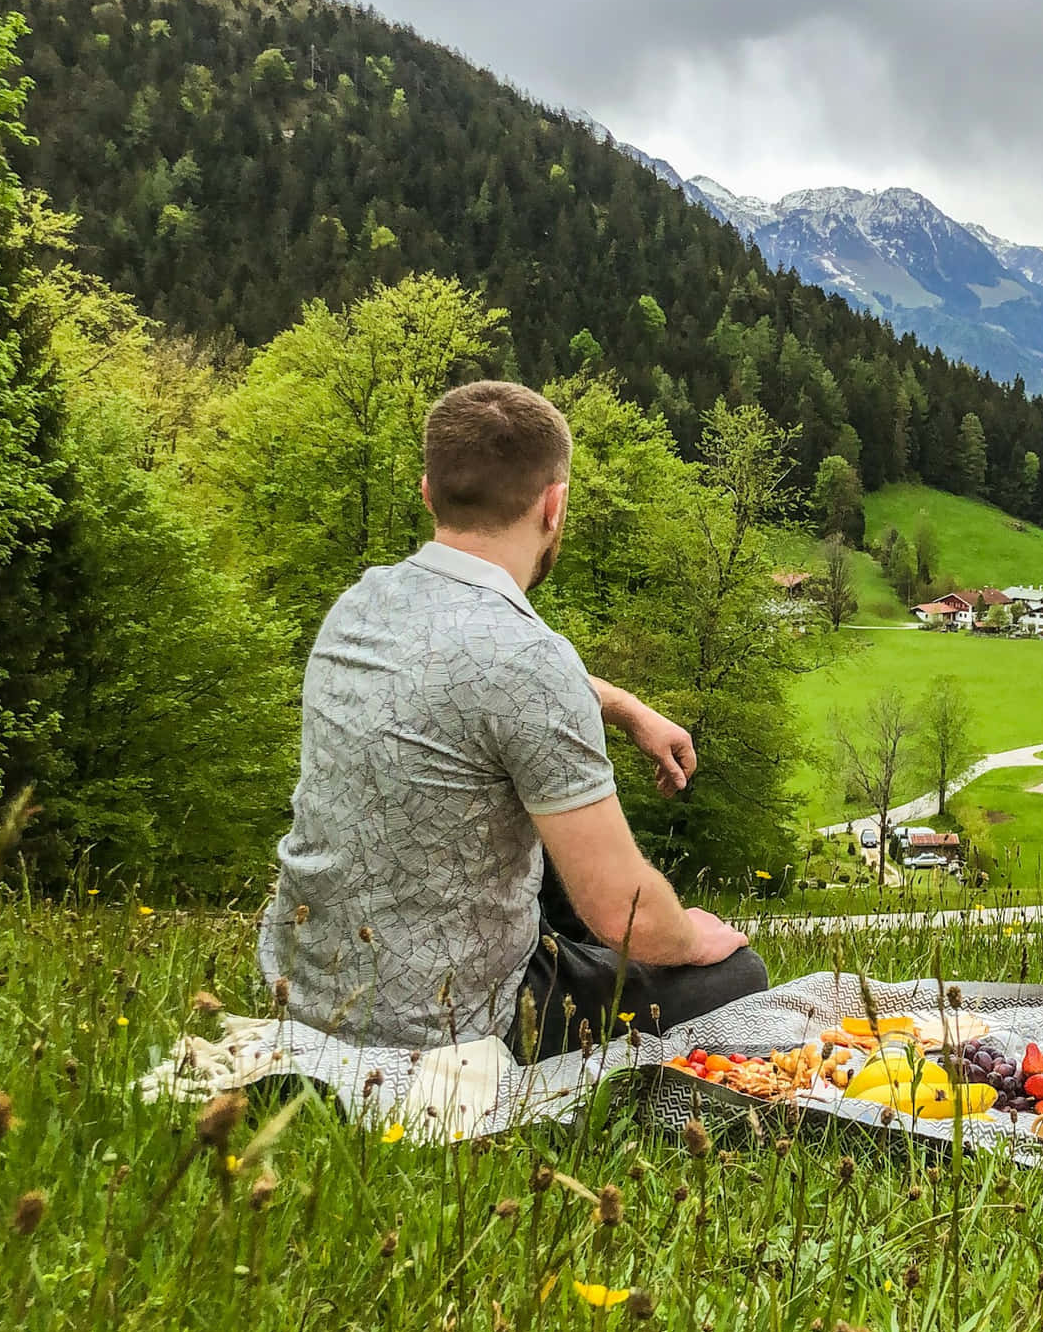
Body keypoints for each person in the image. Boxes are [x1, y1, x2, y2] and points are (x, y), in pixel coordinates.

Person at [257, 379, 767, 1057]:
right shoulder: (529, 660)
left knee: (548, 841)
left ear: (427, 492)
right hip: (452, 1021)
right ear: (553, 505)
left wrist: (625, 708)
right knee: (735, 975)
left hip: (308, 988)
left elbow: (473, 679)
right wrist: (690, 936)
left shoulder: (361, 603)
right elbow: (627, 918)